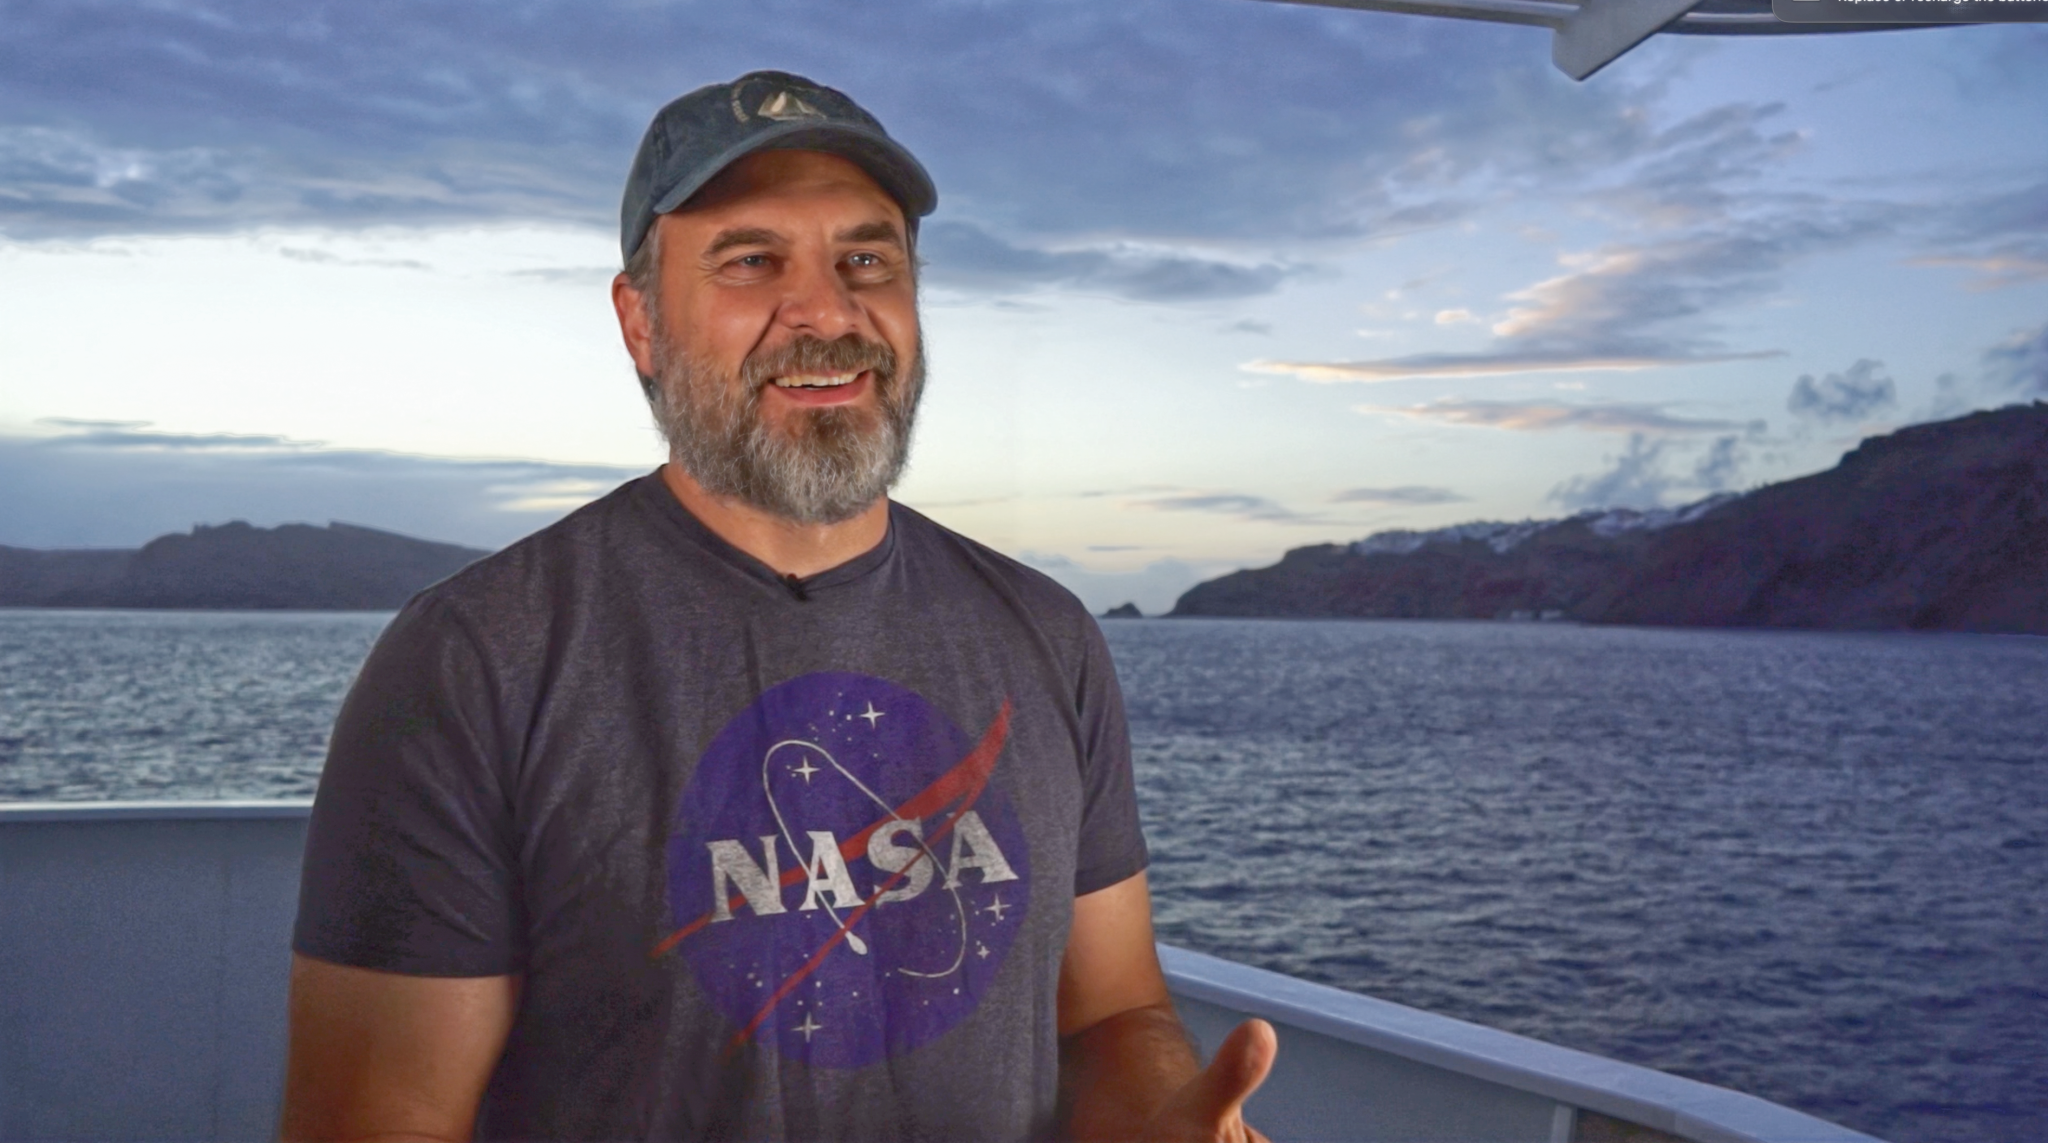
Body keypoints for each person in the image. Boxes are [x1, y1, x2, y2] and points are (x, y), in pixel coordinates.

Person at [280, 70, 1275, 1142]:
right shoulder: (479, 660)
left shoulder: (1045, 634)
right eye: (751, 261)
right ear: (641, 323)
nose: (825, 312)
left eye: (865, 260)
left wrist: (1170, 1120)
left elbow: (1113, 1015)